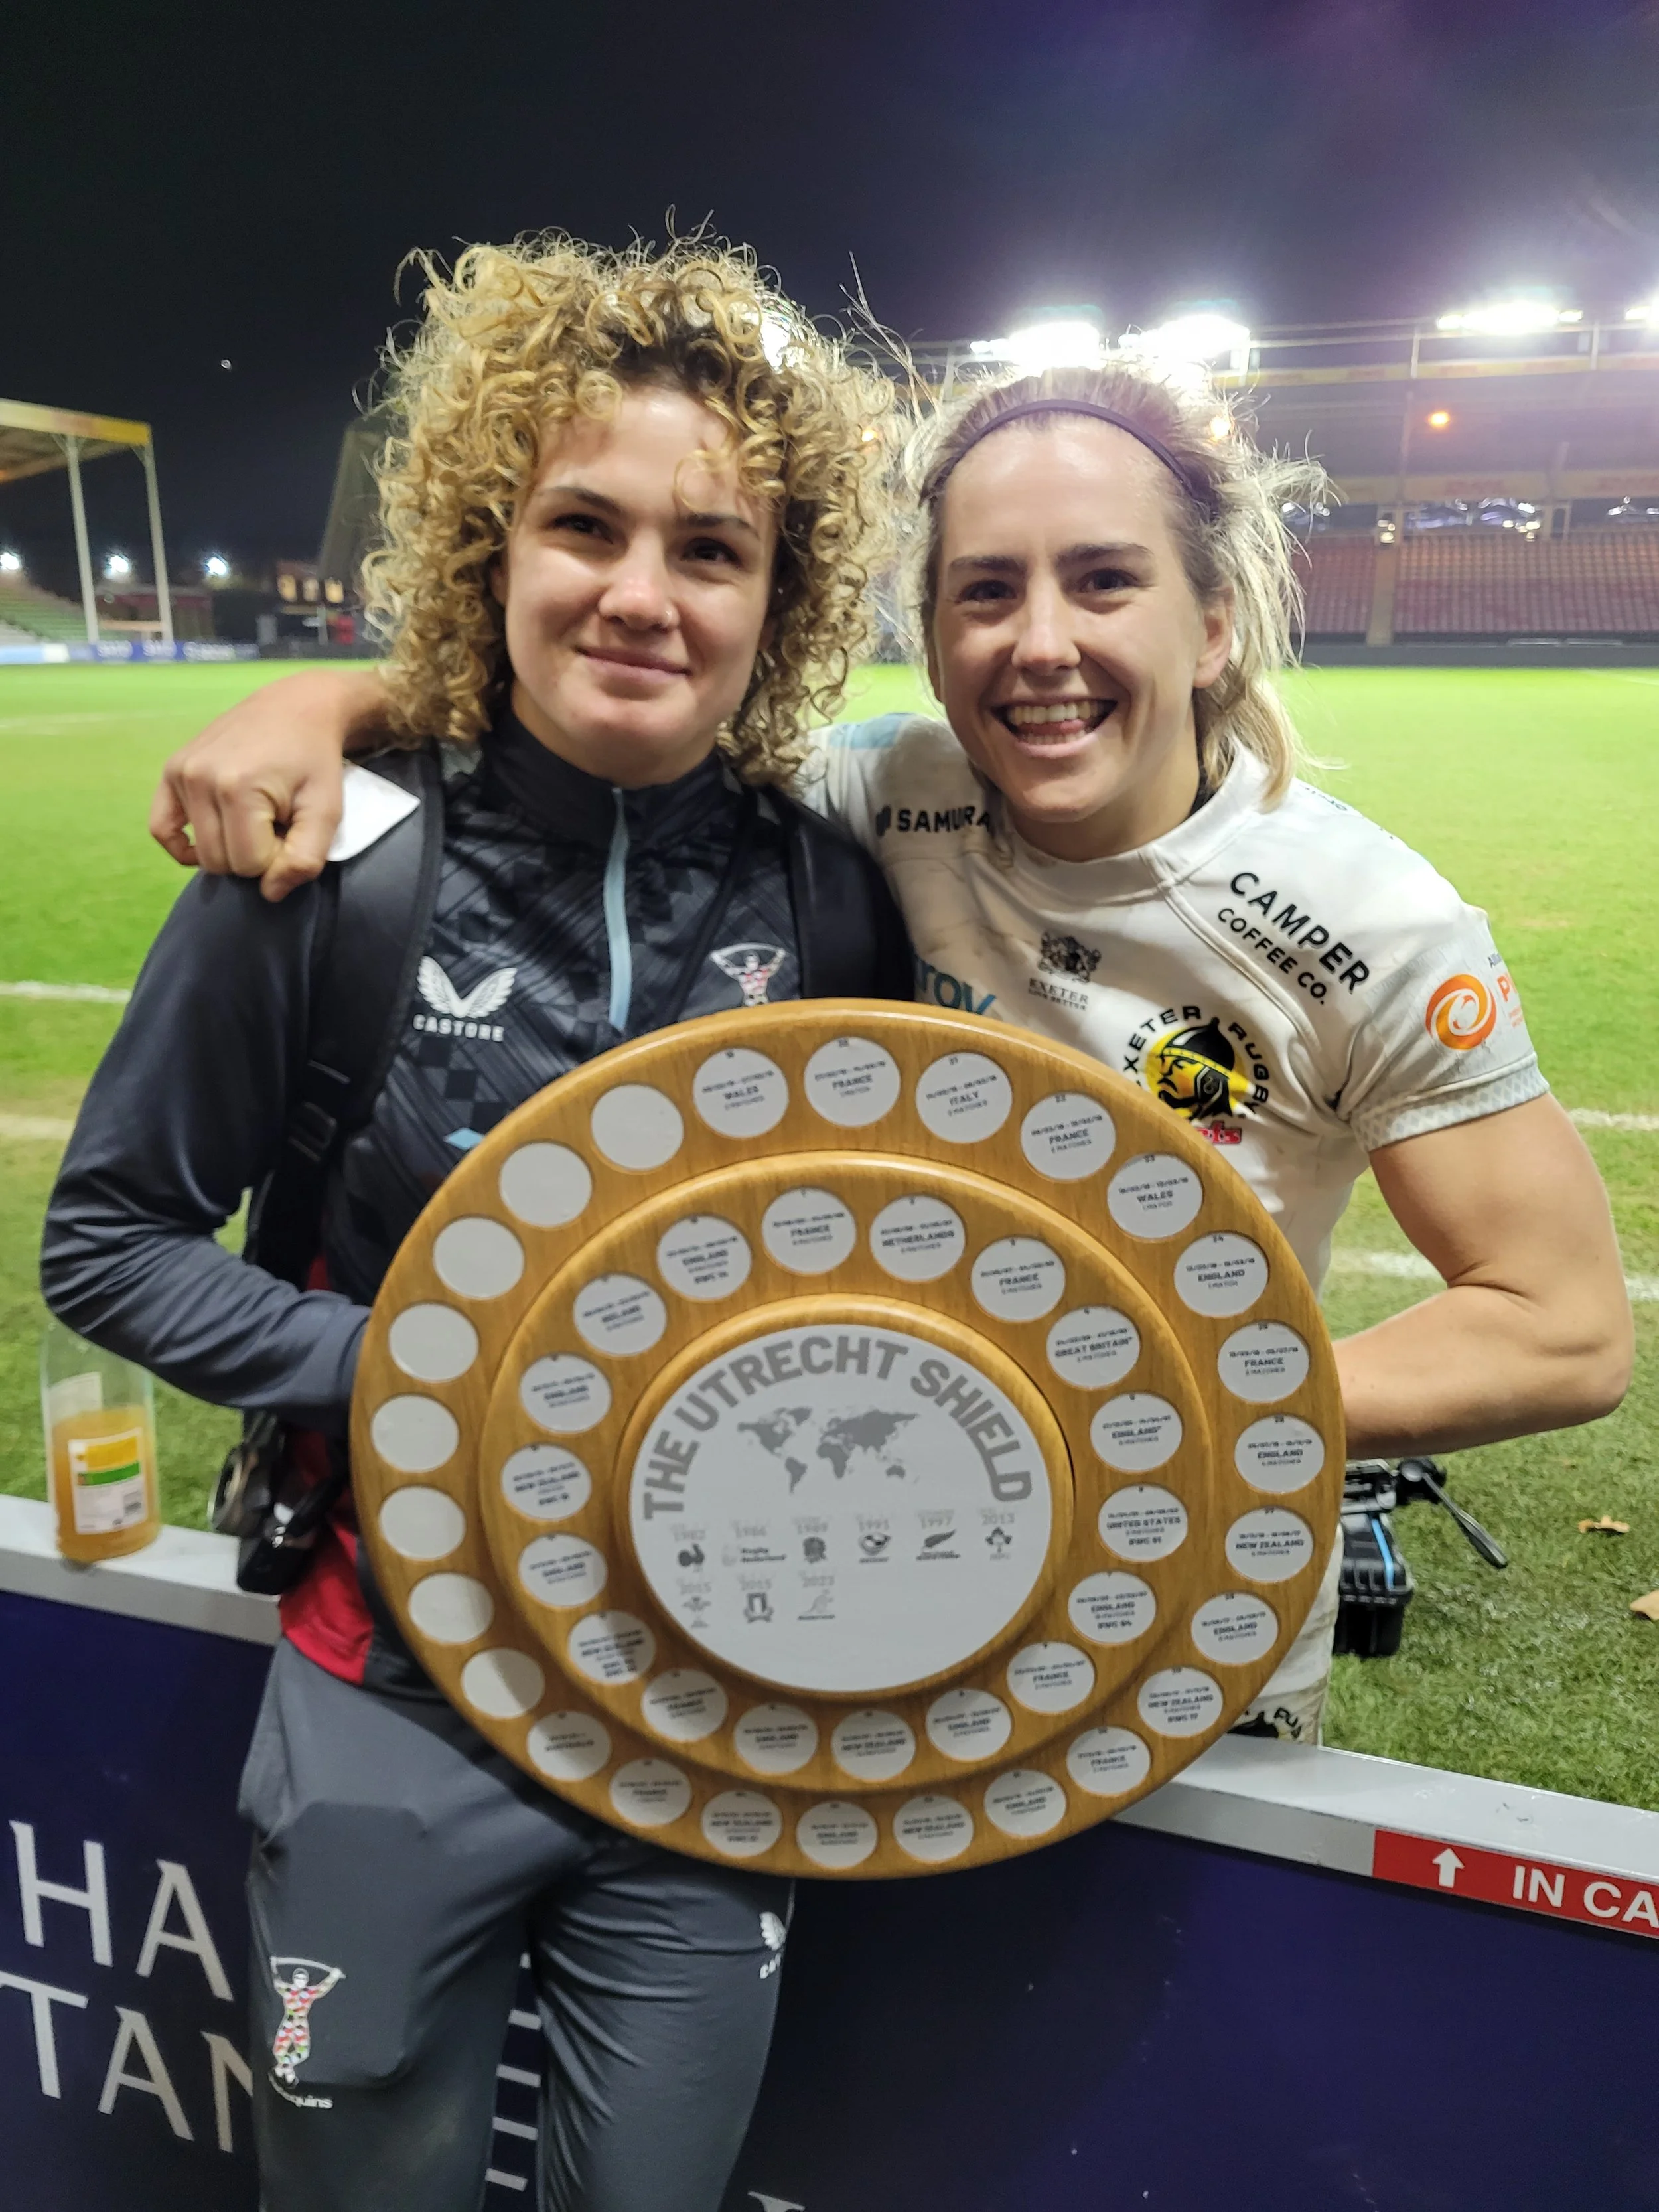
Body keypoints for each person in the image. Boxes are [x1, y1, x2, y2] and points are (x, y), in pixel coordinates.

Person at [145, 346, 1632, 1747]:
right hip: (857, 1577)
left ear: (1215, 619)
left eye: (1102, 581)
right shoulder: (869, 799)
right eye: (985, 592)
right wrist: (327, 699)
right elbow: (606, 696)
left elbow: (1561, 1324)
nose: (1037, 642)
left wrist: (1145, 1392)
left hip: (1177, 1620)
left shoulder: (1368, 923)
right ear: (929, 637)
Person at [42, 233, 908, 2212]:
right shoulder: (327, 870)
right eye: (581, 524)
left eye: (712, 548)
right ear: (485, 550)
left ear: (776, 604)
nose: (637, 591)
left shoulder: (837, 905)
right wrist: (433, 1378)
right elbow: (108, 1244)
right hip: (389, 1705)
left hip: (715, 1727)